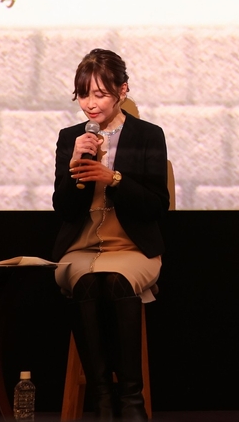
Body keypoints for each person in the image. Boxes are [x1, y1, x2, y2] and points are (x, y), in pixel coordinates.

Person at [52, 49, 169, 421]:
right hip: (81, 248)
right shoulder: (71, 137)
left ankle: (132, 400)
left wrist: (114, 178)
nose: (90, 104)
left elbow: (156, 206)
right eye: (83, 95)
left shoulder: (148, 135)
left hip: (132, 248)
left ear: (123, 90)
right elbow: (63, 210)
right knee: (86, 282)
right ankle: (101, 398)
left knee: (116, 280)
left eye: (100, 94)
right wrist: (75, 165)